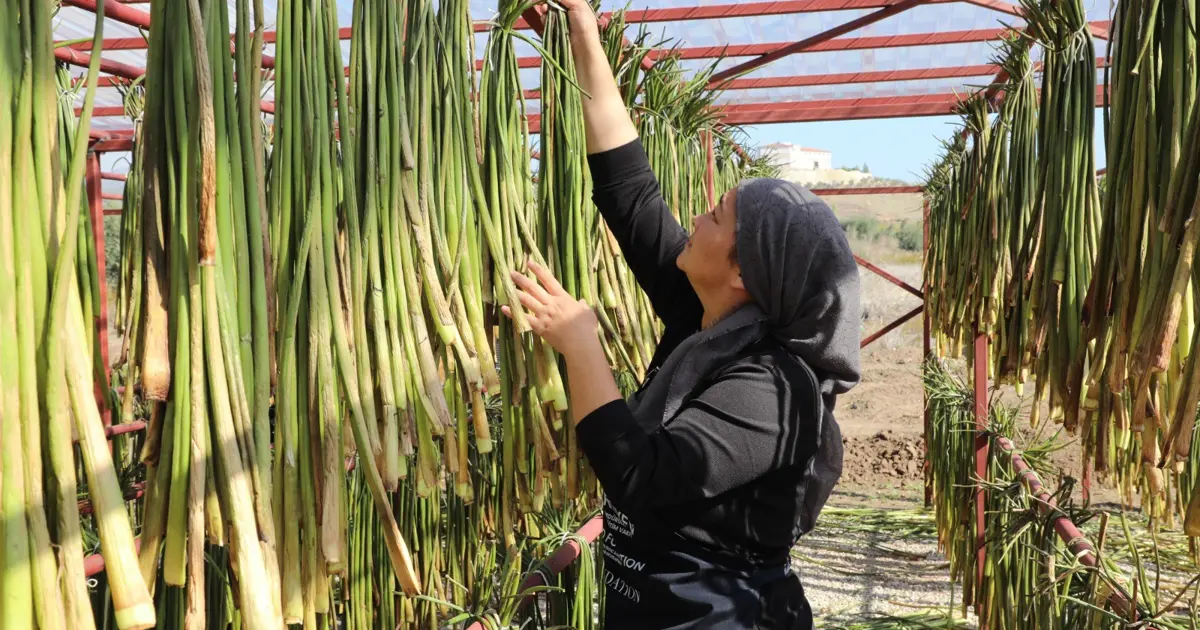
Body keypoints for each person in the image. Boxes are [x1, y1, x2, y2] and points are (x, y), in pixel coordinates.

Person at [500, 1, 862, 627]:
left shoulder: (775, 390)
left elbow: (641, 476)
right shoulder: (708, 316)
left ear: (746, 270)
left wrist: (583, 347)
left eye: (715, 216)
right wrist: (583, 36)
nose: (695, 216)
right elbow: (628, 191)